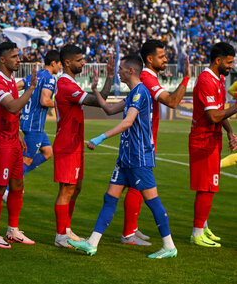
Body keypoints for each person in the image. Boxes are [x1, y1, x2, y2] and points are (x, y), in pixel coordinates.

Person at [68, 55, 178, 259]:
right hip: (126, 157)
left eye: (121, 69)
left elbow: (128, 121)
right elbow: (109, 110)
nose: (118, 72)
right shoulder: (133, 94)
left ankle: (169, 246)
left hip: (139, 157)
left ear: (131, 71)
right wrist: (95, 90)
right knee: (110, 197)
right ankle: (92, 243)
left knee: (152, 201)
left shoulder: (141, 92)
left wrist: (101, 137)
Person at [118, 40, 191, 246]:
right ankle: (128, 233)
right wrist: (186, 77)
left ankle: (130, 228)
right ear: (150, 59)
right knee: (136, 186)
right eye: (162, 56)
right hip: (141, 142)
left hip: (143, 141)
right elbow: (172, 102)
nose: (166, 59)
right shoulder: (147, 78)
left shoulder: (149, 78)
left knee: (131, 186)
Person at [53, 44, 114, 248]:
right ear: (67, 62)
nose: (83, 63)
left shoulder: (71, 84)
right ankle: (60, 236)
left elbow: (100, 99)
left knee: (76, 188)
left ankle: (66, 229)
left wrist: (109, 77)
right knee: (67, 189)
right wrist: (105, 82)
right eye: (79, 60)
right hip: (67, 145)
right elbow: (98, 101)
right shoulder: (66, 85)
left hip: (75, 143)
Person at [0, 42, 37, 248]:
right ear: (2, 60)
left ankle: (13, 230)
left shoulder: (11, 81)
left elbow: (12, 115)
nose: (18, 60)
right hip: (0, 142)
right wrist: (31, 88)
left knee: (17, 186)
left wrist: (18, 134)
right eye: (14, 56)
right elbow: (13, 107)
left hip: (13, 140)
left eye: (18, 56)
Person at [188, 42, 237, 247]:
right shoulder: (206, 81)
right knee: (207, 188)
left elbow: (219, 111)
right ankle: (197, 233)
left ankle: (203, 227)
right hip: (203, 141)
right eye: (229, 62)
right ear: (218, 61)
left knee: (209, 186)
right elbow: (213, 116)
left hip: (213, 139)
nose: (232, 66)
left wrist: (229, 132)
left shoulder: (219, 79)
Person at [2, 50, 60, 203]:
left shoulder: (35, 75)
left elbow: (17, 86)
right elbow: (45, 100)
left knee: (48, 152)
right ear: (53, 63)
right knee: (26, 160)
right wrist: (61, 104)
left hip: (28, 121)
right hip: (35, 125)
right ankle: (8, 188)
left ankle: (17, 177)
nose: (60, 67)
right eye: (60, 64)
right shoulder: (50, 78)